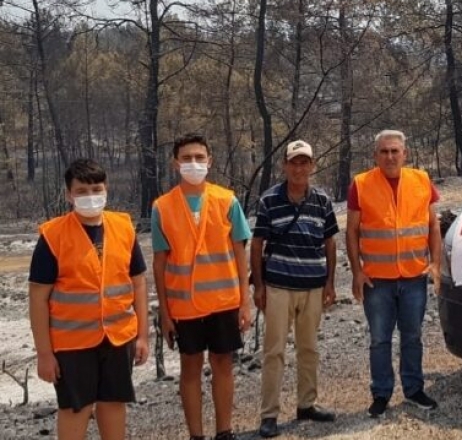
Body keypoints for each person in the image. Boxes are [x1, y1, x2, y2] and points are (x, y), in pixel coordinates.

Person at [28, 158, 149, 440]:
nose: (90, 196)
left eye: (96, 189)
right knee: (74, 408)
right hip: (72, 343)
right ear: (69, 195)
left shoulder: (123, 227)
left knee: (113, 403)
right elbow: (37, 299)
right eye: (82, 191)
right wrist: (44, 354)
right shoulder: (53, 236)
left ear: (106, 189)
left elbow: (139, 284)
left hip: (119, 338)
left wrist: (142, 335)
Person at [152, 134, 252, 440]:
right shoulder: (163, 207)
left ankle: (225, 431)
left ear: (209, 161)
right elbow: (159, 263)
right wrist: (165, 313)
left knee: (223, 365)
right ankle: (196, 435)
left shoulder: (227, 200)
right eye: (186, 158)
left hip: (223, 302)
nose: (193, 163)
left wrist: (244, 303)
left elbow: (239, 253)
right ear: (175, 163)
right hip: (185, 306)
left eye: (199, 157)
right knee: (190, 369)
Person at [345, 129, 442, 418]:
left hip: (413, 276)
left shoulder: (422, 180)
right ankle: (381, 392)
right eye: (384, 151)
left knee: (412, 336)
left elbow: (433, 226)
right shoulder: (361, 184)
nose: (389, 156)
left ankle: (413, 389)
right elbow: (351, 231)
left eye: (394, 151)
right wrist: (356, 272)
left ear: (405, 154)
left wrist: (435, 264)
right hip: (377, 279)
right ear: (375, 155)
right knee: (379, 339)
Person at [251, 140, 339, 437]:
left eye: (305, 162)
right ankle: (269, 414)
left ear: (312, 165)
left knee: (309, 348)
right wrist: (258, 285)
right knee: (274, 351)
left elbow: (329, 242)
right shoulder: (269, 200)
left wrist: (330, 282)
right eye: (294, 162)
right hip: (278, 286)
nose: (299, 168)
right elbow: (257, 242)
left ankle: (307, 404)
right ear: (285, 166)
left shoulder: (323, 201)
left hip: (313, 285)